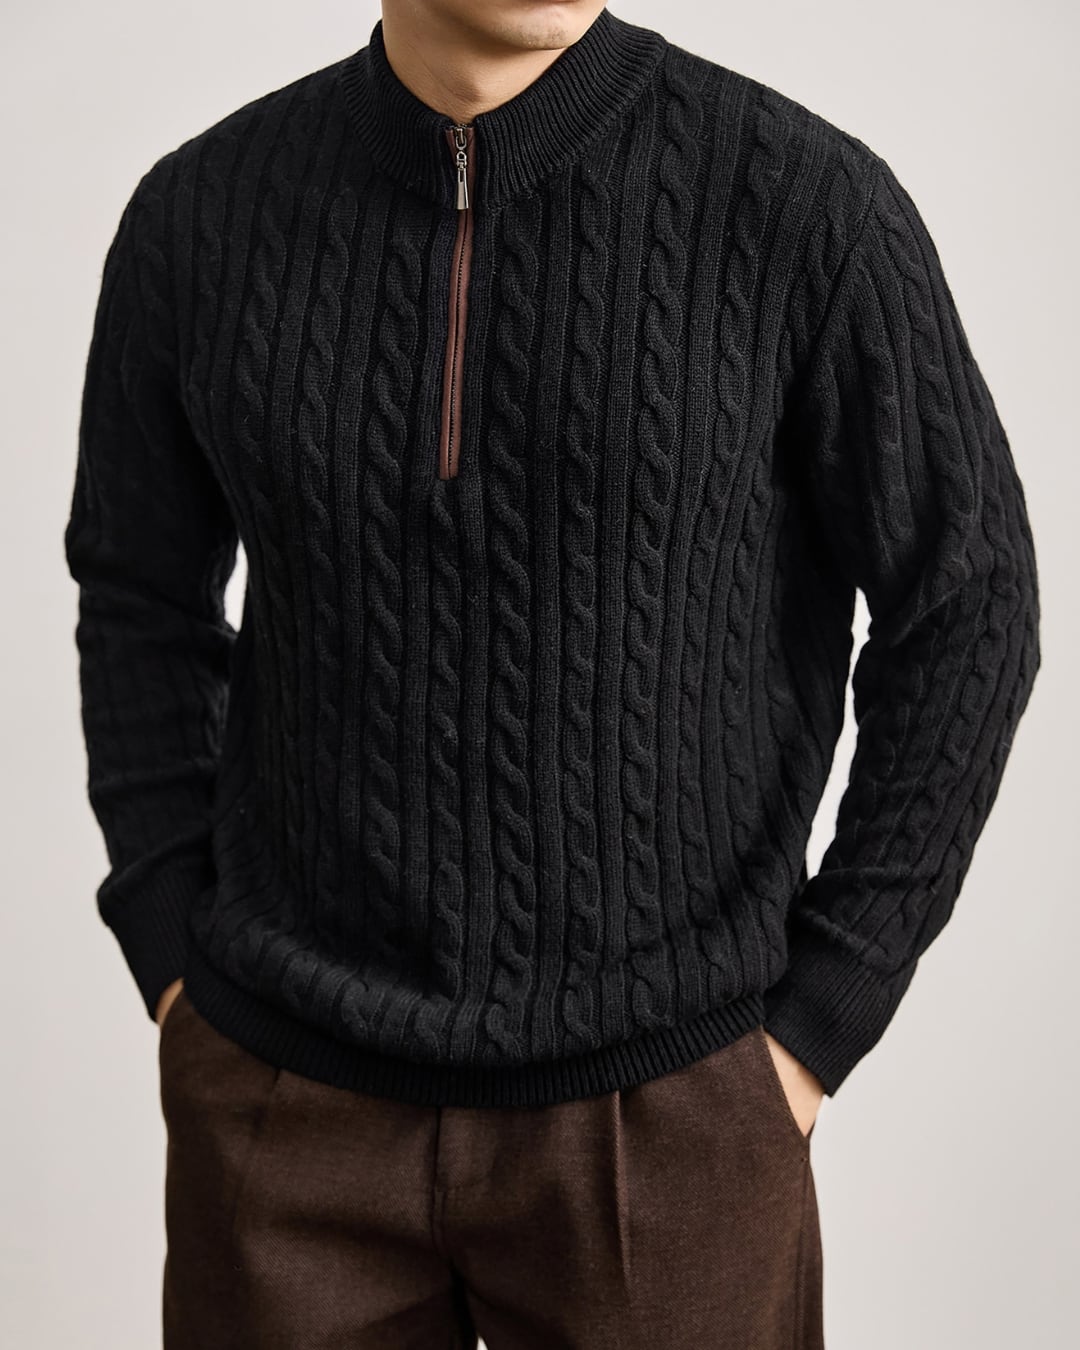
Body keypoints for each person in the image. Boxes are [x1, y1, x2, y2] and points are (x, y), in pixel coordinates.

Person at [64, 2, 1041, 1345]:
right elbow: (137, 592)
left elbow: (971, 598)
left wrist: (819, 1019)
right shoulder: (199, 215)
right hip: (285, 1107)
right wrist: (175, 953)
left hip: (672, 1114)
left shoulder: (807, 207)